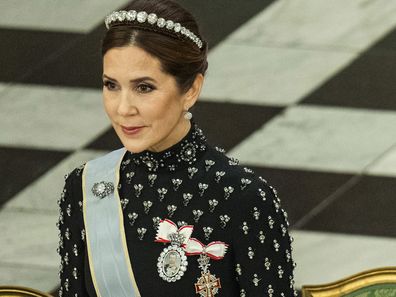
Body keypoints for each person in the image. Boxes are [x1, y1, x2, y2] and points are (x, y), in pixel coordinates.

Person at [56, 0, 297, 296]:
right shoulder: (85, 188)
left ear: (191, 89)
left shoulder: (245, 200)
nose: (123, 108)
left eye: (144, 87)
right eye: (111, 85)